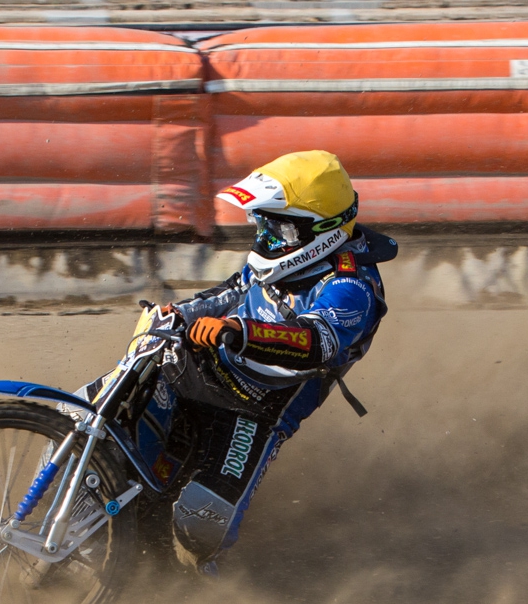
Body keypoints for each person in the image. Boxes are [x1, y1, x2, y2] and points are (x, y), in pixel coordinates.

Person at [151, 150, 394, 573]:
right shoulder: (276, 256)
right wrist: (180, 313)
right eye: (262, 223)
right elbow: (231, 291)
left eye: (278, 226)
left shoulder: (350, 286)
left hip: (258, 406)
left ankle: (203, 593)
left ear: (322, 229)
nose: (267, 237)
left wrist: (239, 332)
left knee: (200, 523)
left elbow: (316, 342)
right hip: (211, 366)